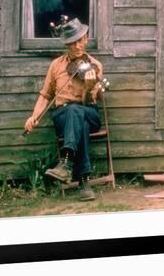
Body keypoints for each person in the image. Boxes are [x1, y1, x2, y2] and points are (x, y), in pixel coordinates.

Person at [24, 17, 104, 201]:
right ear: (67, 44)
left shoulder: (95, 66)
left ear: (86, 38)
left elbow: (86, 101)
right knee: (77, 120)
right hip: (63, 116)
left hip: (88, 111)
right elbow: (45, 95)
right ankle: (84, 181)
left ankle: (66, 164)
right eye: (72, 43)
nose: (77, 46)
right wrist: (34, 116)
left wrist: (87, 87)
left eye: (80, 40)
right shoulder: (56, 66)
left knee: (76, 111)